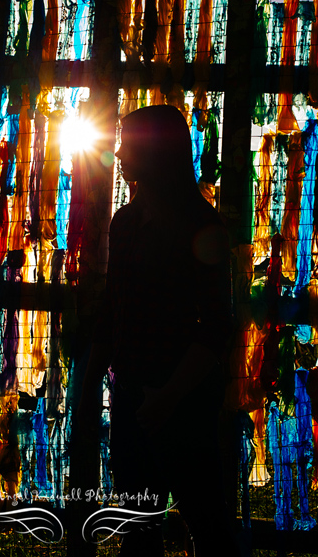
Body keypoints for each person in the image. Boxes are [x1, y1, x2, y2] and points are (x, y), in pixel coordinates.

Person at [78, 104, 241, 555]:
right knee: (137, 530)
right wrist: (92, 387)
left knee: (207, 522)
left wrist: (168, 396)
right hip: (131, 400)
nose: (119, 152)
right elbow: (113, 311)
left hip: (183, 403)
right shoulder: (125, 223)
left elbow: (215, 325)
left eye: (128, 143)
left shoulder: (201, 224)